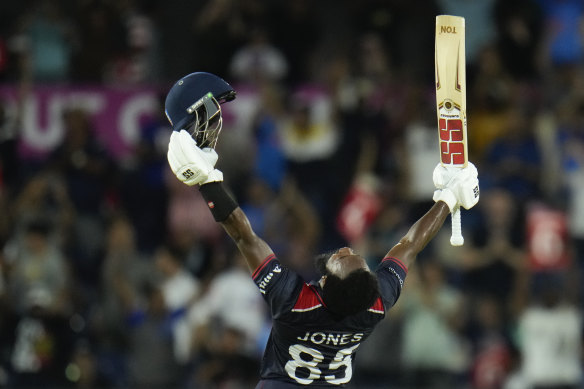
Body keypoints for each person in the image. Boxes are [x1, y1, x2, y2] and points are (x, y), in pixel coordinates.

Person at [163, 71, 480, 388]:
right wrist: (449, 198)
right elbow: (411, 244)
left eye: (343, 258)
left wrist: (205, 180)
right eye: (357, 257)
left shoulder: (296, 301)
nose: (347, 250)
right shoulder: (372, 301)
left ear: (325, 282)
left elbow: (244, 235)